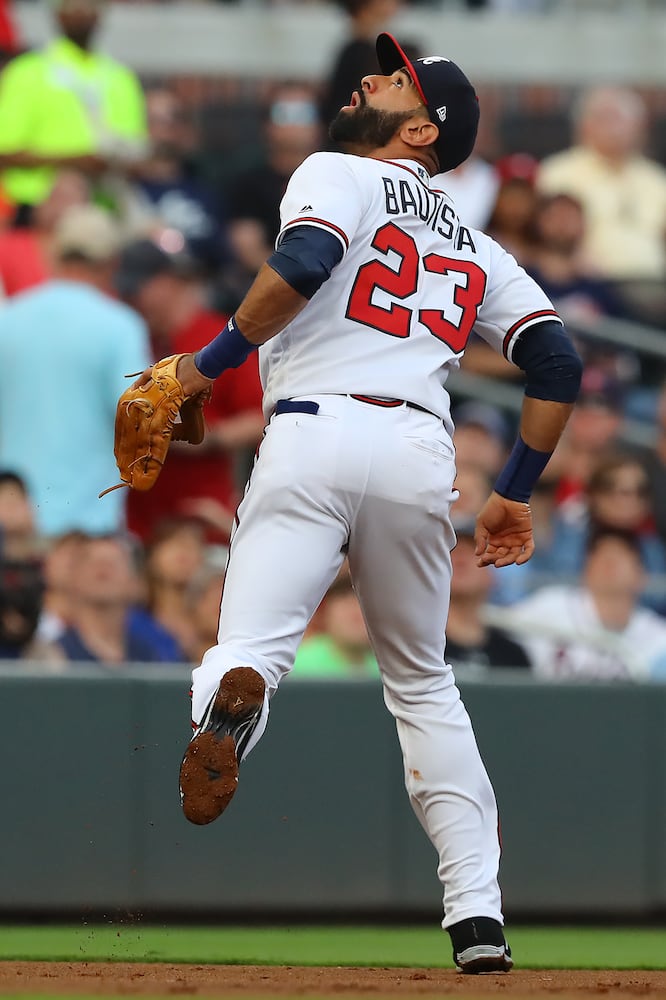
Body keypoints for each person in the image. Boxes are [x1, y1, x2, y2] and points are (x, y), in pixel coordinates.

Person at [135, 34, 582, 972]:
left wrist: (205, 368)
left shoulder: (338, 169)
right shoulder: (476, 237)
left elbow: (302, 262)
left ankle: (232, 712)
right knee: (423, 684)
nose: (373, 76)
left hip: (310, 429)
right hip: (421, 447)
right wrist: (513, 496)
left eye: (398, 79)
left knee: (251, 647)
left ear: (419, 126)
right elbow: (558, 361)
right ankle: (478, 921)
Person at [0, 204, 150, 537]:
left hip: (12, 519)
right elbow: (140, 417)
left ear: (53, 255)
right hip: (87, 523)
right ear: (112, 262)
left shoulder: (8, 320)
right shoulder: (120, 326)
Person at [115, 238, 264, 545]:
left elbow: (263, 417)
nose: (131, 301)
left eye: (138, 290)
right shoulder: (128, 339)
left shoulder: (218, 339)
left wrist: (208, 438)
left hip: (202, 520)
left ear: (170, 282)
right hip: (140, 524)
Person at [0, 0, 147, 215]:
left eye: (89, 7)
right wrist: (76, 162)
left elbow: (136, 151)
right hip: (36, 207)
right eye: (73, 7)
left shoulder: (121, 78)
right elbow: (6, 150)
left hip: (106, 204)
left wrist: (113, 164)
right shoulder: (26, 72)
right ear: (57, 14)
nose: (81, 14)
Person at [537, 86, 666, 282]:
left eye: (620, 118)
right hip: (587, 286)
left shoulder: (656, 180)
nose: (613, 128)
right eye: (604, 118)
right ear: (583, 125)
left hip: (655, 288)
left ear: (639, 126)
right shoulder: (557, 173)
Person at [502, 527, 666, 681]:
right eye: (601, 556)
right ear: (585, 569)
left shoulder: (658, 637)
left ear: (642, 574)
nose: (609, 564)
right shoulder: (549, 606)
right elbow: (494, 631)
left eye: (619, 556)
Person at [445, 516, 531, 675]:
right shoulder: (414, 647)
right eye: (450, 549)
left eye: (474, 550)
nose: (460, 558)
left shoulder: (513, 656)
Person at [291, 565, 379, 679]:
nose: (355, 605)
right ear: (325, 609)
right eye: (343, 594)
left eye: (366, 596)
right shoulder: (295, 666)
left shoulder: (393, 667)